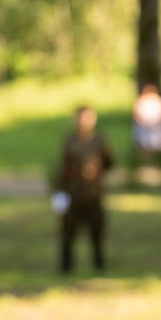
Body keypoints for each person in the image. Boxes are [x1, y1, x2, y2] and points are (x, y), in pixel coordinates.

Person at [56, 105, 114, 274]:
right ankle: (66, 266)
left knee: (97, 230)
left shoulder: (99, 140)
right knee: (68, 231)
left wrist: (96, 168)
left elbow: (109, 162)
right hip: (73, 193)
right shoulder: (70, 140)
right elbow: (63, 166)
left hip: (94, 193)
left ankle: (99, 264)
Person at [132, 83, 161, 168]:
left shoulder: (158, 100)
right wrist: (144, 123)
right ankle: (145, 163)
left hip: (155, 127)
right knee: (144, 146)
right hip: (144, 127)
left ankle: (155, 163)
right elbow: (136, 113)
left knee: (156, 145)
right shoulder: (141, 100)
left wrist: (155, 123)